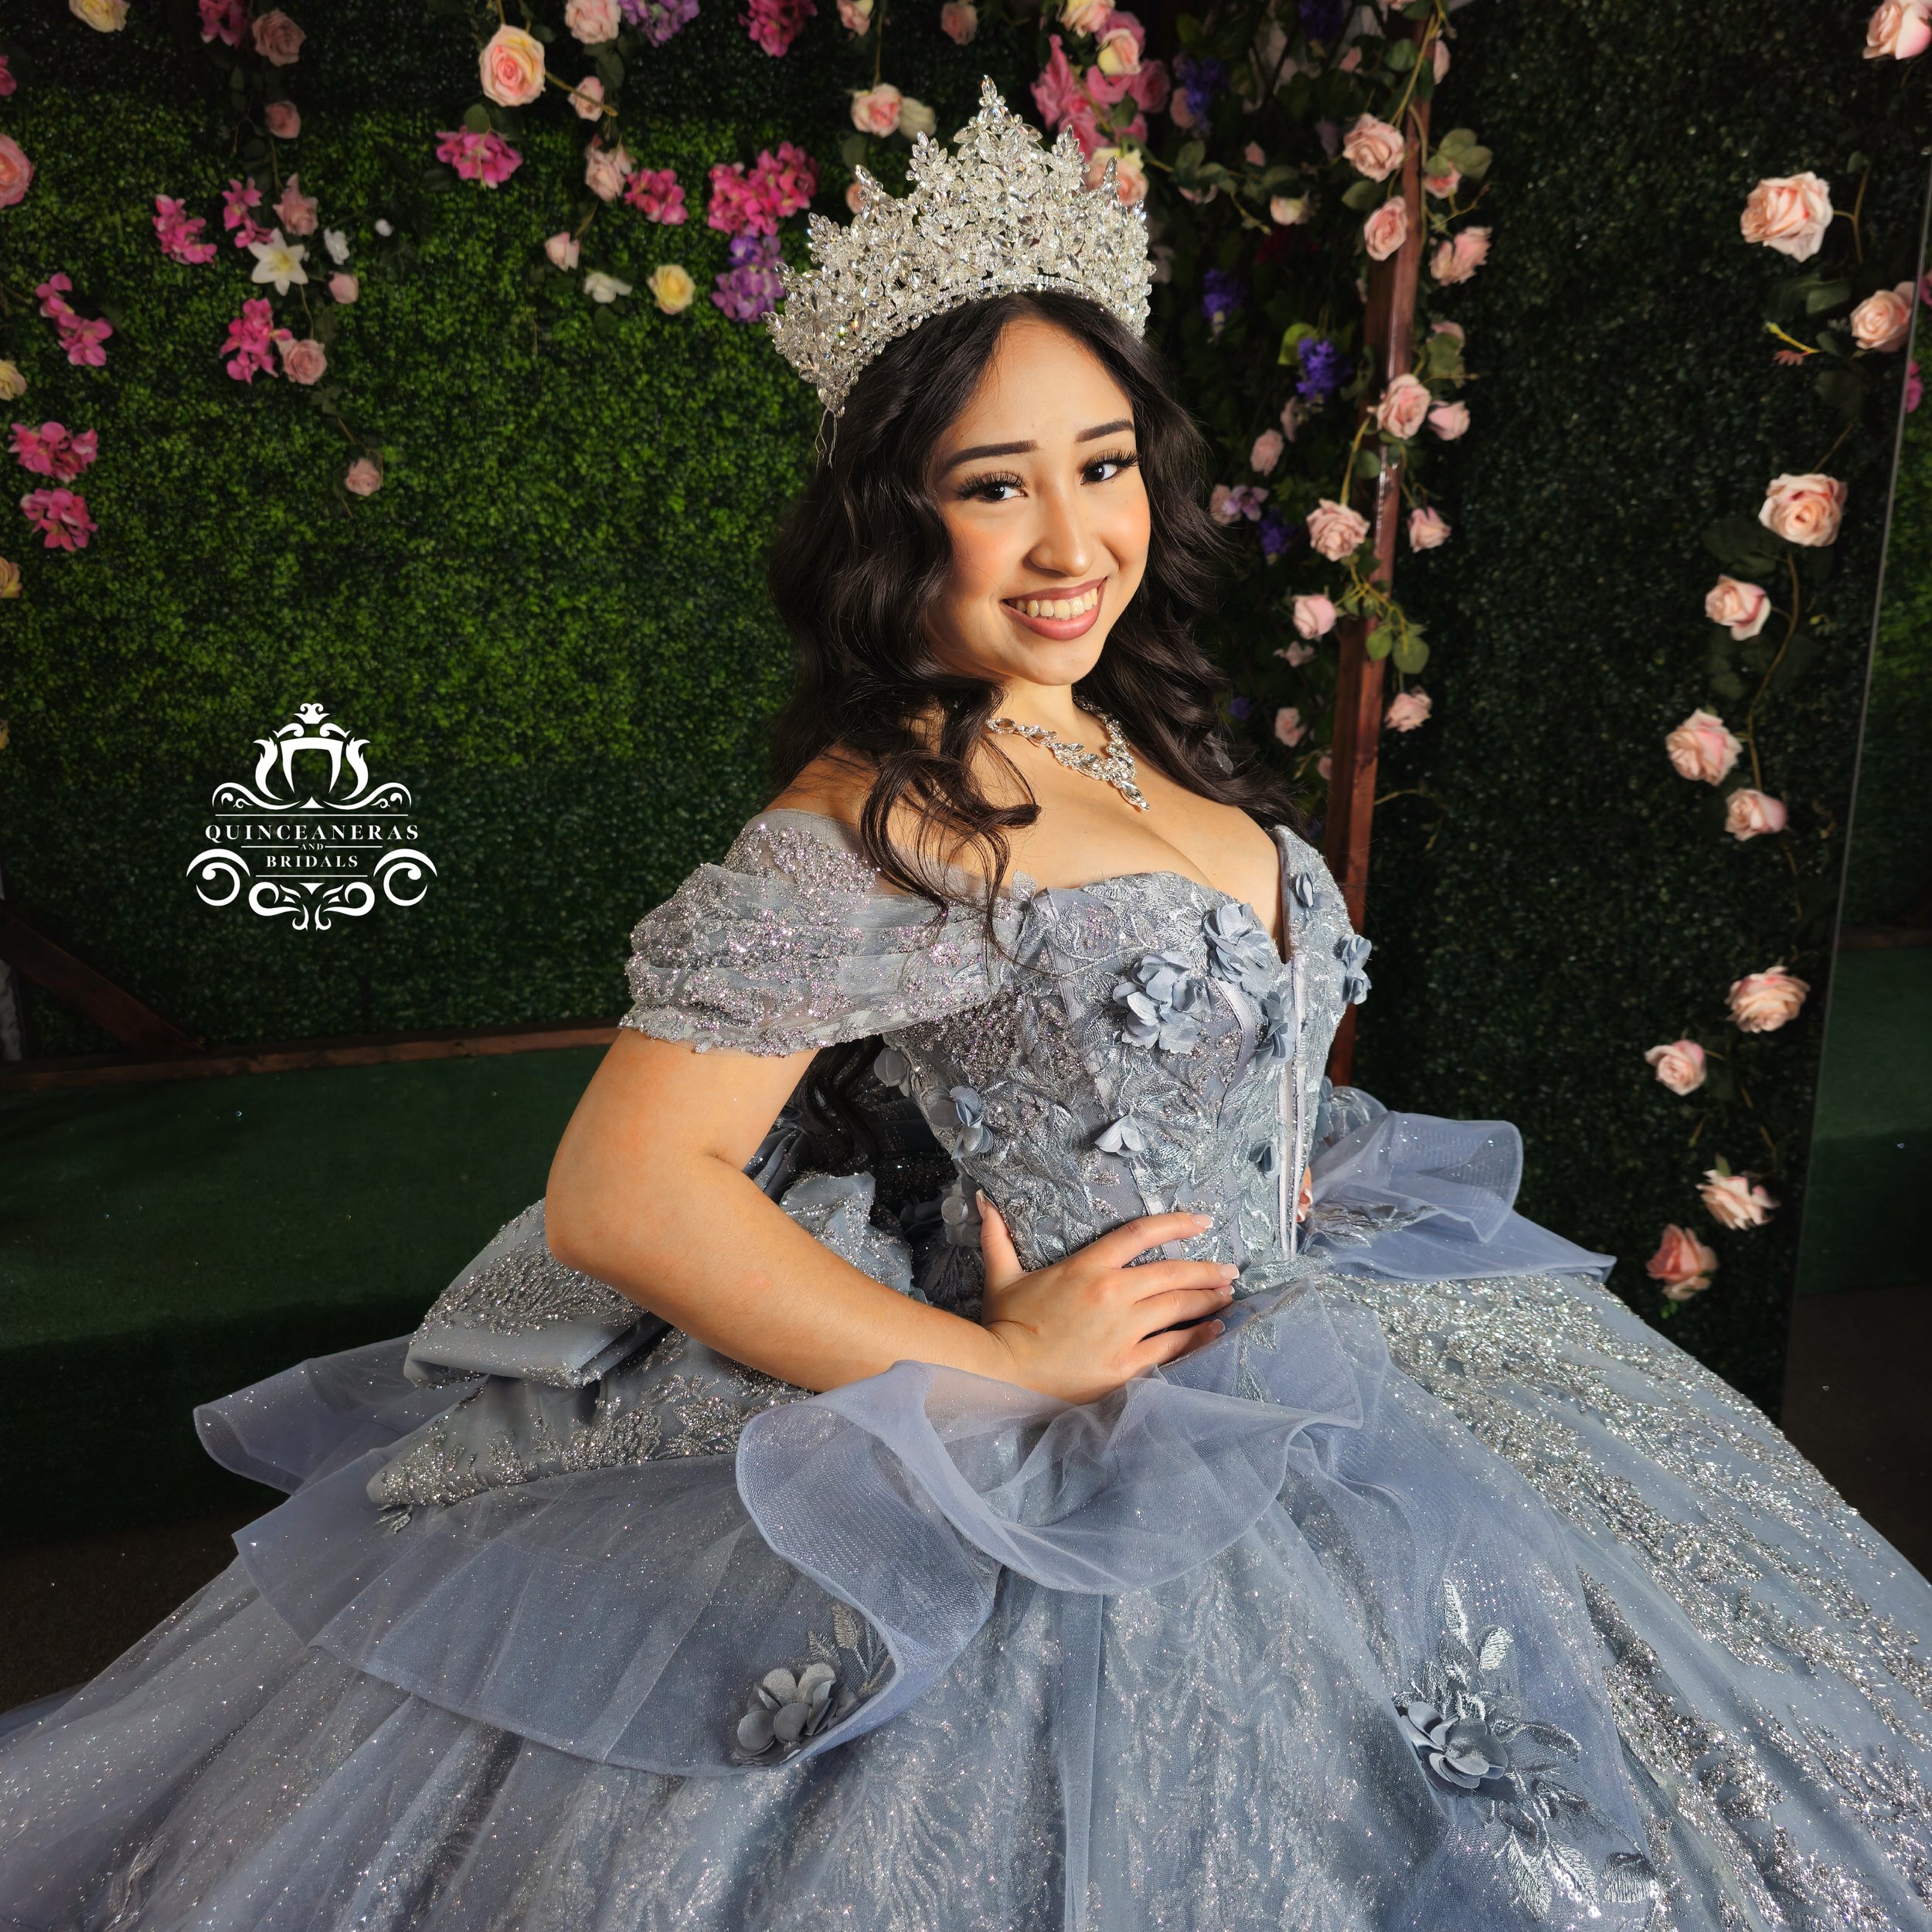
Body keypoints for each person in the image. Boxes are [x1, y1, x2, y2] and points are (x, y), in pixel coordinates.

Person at [2, 80, 1929, 1932]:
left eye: (1101, 468)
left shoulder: (1121, 728)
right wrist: (1007, 1371)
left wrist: (1269, 1168)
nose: (1072, 540)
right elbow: (627, 1193)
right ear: (890, 521)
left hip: (1334, 1340)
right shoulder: (872, 816)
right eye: (993, 487)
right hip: (1102, 1436)